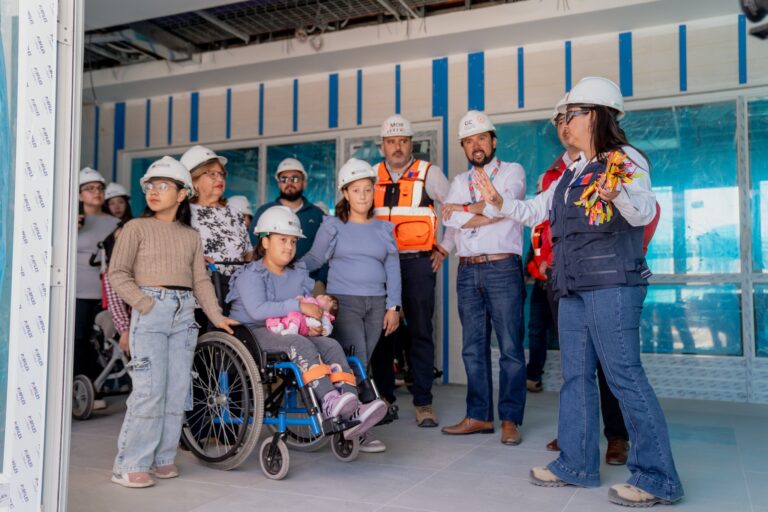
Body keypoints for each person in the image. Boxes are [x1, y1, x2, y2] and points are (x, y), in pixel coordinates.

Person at [464, 77, 683, 507]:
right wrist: (497, 203)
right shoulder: (573, 170)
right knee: (575, 377)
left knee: (624, 377)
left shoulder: (626, 159)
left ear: (596, 115)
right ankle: (577, 464)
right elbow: (534, 212)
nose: (564, 123)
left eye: (570, 115)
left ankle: (658, 478)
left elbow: (643, 212)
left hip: (612, 285)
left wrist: (616, 191)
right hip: (572, 287)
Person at [109, 156, 238, 488]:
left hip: (185, 313)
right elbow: (117, 274)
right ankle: (131, 462)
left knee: (178, 389)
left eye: (163, 186)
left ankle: (163, 457)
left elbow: (201, 282)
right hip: (152, 310)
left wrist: (216, 316)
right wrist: (144, 303)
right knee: (150, 390)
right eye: (151, 186)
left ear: (182, 194)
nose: (154, 191)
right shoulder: (135, 228)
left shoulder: (190, 236)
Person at [226, 206, 388, 443]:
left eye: (293, 242)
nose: (289, 247)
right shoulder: (251, 274)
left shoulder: (297, 273)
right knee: (299, 343)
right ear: (265, 241)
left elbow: (306, 308)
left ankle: (351, 411)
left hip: (288, 331)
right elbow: (258, 311)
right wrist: (299, 307)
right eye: (282, 240)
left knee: (330, 345)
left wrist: (312, 323)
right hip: (252, 333)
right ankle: (330, 401)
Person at [440, 111, 528, 446]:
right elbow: (453, 221)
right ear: (463, 146)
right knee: (473, 349)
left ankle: (509, 420)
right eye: (469, 140)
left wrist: (470, 209)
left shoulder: (512, 172)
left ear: (493, 140)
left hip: (502, 268)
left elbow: (505, 207)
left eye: (481, 138)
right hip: (467, 269)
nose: (476, 146)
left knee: (510, 348)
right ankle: (478, 416)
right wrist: (485, 209)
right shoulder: (459, 182)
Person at [302, 158, 402, 453]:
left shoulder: (385, 229)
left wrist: (393, 306)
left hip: (377, 303)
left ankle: (353, 422)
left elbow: (393, 269)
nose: (362, 195)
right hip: (344, 303)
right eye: (356, 189)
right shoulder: (332, 225)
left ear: (374, 191)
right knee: (354, 361)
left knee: (364, 362)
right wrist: (280, 264)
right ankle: (356, 428)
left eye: (367, 189)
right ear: (345, 193)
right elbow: (315, 260)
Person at [371, 114, 455, 428]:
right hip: (379, 267)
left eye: (403, 141)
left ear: (411, 143)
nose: (397, 147)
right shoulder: (370, 176)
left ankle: (423, 402)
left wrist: (446, 247)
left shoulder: (429, 175)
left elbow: (455, 212)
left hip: (418, 263)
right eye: (391, 142)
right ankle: (383, 398)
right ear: (383, 145)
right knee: (382, 333)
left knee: (420, 331)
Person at [180, 145, 253, 312]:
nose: (219, 179)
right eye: (211, 174)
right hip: (199, 301)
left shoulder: (234, 214)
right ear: (194, 181)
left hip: (237, 297)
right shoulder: (182, 213)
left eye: (221, 174)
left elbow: (248, 254)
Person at [75, 167, 120, 410]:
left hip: (106, 292)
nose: (96, 193)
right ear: (80, 195)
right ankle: (77, 388)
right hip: (77, 292)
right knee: (79, 340)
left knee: (102, 342)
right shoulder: (71, 219)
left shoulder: (115, 222)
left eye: (99, 188)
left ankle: (94, 388)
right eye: (90, 189)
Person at [254, 157, 327, 285]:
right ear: (278, 183)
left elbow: (326, 253)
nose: (289, 182)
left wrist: (320, 281)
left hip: (309, 283)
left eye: (295, 178)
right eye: (284, 179)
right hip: (270, 282)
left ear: (304, 183)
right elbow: (254, 249)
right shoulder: (264, 212)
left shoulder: (317, 215)